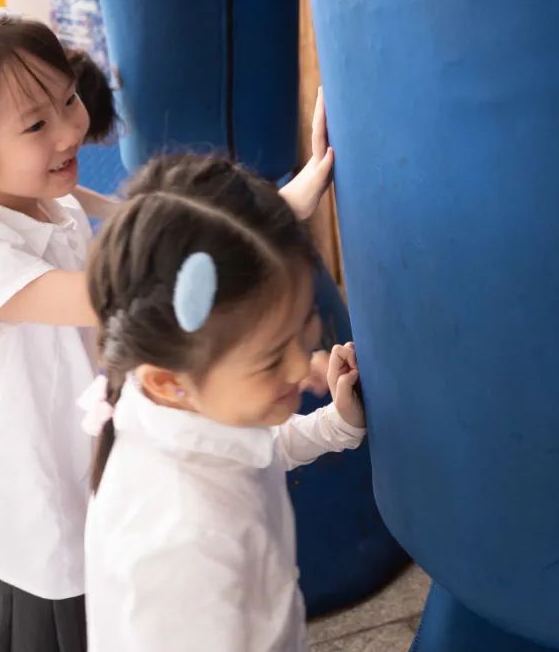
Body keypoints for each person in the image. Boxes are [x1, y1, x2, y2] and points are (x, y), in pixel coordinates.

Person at [0, 7, 335, 651]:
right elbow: (139, 281)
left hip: (75, 491)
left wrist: (292, 195)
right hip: (8, 541)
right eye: (37, 123)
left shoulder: (56, 203)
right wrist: (283, 214)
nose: (71, 128)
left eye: (68, 99)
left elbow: (173, 234)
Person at [82, 153, 365, 651]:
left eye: (305, 329)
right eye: (274, 357)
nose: (304, 367)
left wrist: (335, 425)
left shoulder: (183, 408)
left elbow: (253, 452)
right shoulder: (184, 542)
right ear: (168, 381)